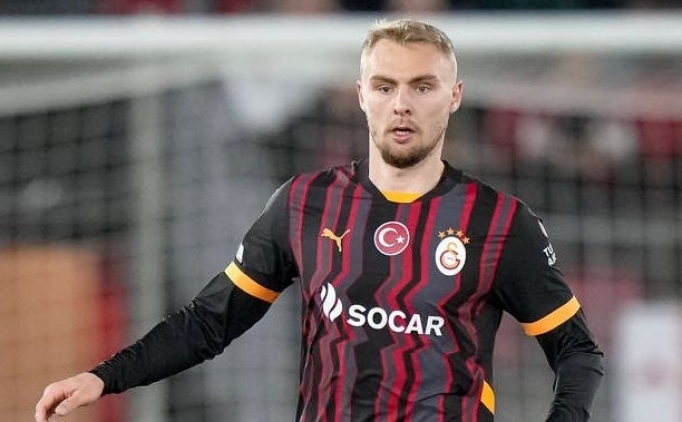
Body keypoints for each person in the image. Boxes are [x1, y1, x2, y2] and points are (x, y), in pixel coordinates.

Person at [35, 18, 604, 422]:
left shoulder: (499, 221)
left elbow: (577, 351)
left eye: (422, 87)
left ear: (454, 96)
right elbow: (209, 322)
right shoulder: (305, 203)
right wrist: (104, 377)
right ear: (360, 95)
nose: (401, 104)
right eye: (385, 86)